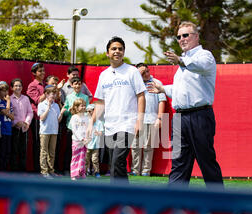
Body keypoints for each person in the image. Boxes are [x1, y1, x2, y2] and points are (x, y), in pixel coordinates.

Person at [147, 21, 224, 188]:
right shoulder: (183, 62)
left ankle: (220, 204)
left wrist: (180, 60)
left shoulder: (205, 56)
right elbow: (181, 90)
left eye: (185, 35)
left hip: (200, 116)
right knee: (179, 162)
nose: (181, 39)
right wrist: (162, 89)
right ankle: (173, 202)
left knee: (206, 161)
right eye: (178, 37)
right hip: (180, 118)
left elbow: (200, 67)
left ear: (196, 36)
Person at [90, 36, 146, 183]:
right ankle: (122, 196)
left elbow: (141, 96)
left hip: (127, 124)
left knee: (117, 161)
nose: (117, 51)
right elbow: (100, 102)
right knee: (115, 164)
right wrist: (91, 123)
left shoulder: (132, 71)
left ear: (124, 52)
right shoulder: (104, 75)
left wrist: (139, 120)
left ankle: (116, 197)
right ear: (107, 53)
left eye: (120, 49)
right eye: (114, 49)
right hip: (109, 126)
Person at [131, 63, 167, 177]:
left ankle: (146, 171)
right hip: (136, 120)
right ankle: (135, 170)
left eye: (147, 71)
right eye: (142, 72)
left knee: (148, 146)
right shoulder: (134, 84)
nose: (146, 74)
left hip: (151, 120)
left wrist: (160, 118)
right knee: (135, 146)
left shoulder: (156, 83)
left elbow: (162, 100)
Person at [61, 76, 90, 175]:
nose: (77, 85)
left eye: (79, 84)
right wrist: (67, 111)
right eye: (75, 84)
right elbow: (65, 111)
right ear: (72, 85)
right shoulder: (69, 97)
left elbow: (88, 111)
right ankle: (68, 170)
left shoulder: (85, 97)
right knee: (71, 149)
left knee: (83, 151)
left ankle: (81, 171)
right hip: (71, 126)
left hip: (83, 127)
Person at [37, 85, 64, 179]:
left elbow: (58, 120)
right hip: (45, 131)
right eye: (51, 94)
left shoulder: (56, 105)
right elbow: (42, 118)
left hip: (54, 131)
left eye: (54, 93)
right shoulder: (41, 104)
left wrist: (62, 112)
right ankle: (44, 171)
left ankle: (51, 170)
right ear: (46, 94)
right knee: (44, 151)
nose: (53, 95)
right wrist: (48, 107)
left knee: (52, 152)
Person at [10, 78, 33, 172]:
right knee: (14, 150)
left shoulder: (26, 98)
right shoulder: (9, 99)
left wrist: (27, 123)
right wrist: (15, 122)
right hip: (14, 128)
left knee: (23, 150)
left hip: (24, 128)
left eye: (19, 85)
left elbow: (30, 112)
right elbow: (9, 113)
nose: (18, 87)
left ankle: (22, 171)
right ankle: (14, 171)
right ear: (12, 88)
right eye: (16, 85)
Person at [27, 62, 46, 173]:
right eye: (40, 71)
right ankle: (37, 169)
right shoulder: (32, 86)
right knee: (38, 143)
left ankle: (45, 169)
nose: (43, 73)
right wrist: (49, 90)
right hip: (37, 118)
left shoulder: (45, 84)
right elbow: (38, 100)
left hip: (47, 118)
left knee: (45, 145)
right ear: (34, 73)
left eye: (43, 70)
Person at [67, 98, 90, 180]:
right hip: (77, 141)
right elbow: (74, 130)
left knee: (83, 158)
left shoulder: (87, 117)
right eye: (81, 106)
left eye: (84, 105)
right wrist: (81, 138)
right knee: (76, 158)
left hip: (85, 141)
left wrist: (88, 137)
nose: (83, 107)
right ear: (76, 107)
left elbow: (88, 128)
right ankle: (74, 174)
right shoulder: (74, 117)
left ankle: (81, 173)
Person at [0, 81, 14, 171]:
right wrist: (9, 102)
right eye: (3, 91)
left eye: (6, 90)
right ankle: (0, 169)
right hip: (1, 130)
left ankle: (5, 169)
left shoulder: (9, 104)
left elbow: (12, 117)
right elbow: (5, 112)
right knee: (1, 152)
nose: (5, 93)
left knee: (8, 151)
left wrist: (8, 107)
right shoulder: (0, 102)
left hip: (9, 130)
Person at [85, 104, 104, 178]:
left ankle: (96, 172)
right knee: (86, 159)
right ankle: (85, 171)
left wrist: (98, 133)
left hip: (95, 144)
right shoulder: (86, 121)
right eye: (87, 111)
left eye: (90, 111)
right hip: (87, 144)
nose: (89, 113)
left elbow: (101, 132)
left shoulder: (99, 122)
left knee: (94, 160)